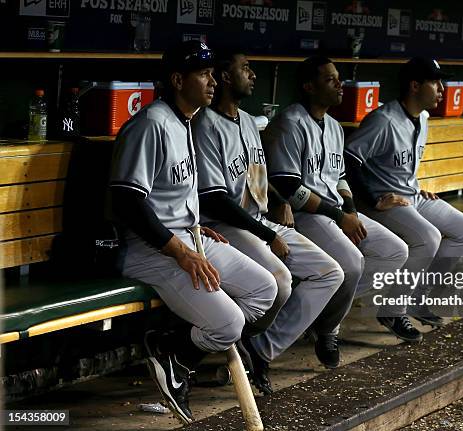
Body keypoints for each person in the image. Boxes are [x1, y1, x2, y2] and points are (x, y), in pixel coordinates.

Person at [108, 41, 277, 424]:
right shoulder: (151, 124)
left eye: (212, 73)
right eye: (203, 74)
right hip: (151, 250)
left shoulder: (185, 119)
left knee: (264, 289)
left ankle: (175, 349)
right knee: (230, 323)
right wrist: (181, 252)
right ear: (177, 79)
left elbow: (170, 192)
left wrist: (195, 227)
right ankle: (175, 354)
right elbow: (128, 202)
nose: (213, 80)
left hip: (189, 237)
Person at [191, 50, 344, 395]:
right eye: (245, 68)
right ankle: (223, 350)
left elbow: (257, 175)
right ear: (226, 77)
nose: (254, 75)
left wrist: (279, 199)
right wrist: (266, 233)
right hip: (225, 226)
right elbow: (214, 198)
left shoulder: (247, 120)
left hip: (259, 220)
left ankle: (259, 350)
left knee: (330, 272)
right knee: (281, 281)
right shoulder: (204, 125)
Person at [262, 56, 415, 343]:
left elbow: (341, 178)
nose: (339, 84)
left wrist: (352, 212)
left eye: (338, 78)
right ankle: (322, 329)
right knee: (353, 263)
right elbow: (290, 188)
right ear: (309, 86)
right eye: (330, 79)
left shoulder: (333, 126)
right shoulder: (290, 124)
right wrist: (340, 216)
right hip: (305, 216)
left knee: (395, 250)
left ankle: (320, 313)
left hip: (334, 211)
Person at [344, 57, 463, 334]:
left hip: (412, 196)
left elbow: (402, 164)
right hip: (384, 202)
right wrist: (371, 199)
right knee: (428, 237)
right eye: (435, 82)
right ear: (415, 86)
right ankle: (393, 311)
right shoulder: (383, 120)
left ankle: (416, 298)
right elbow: (348, 157)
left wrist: (416, 184)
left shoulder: (424, 118)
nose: (442, 88)